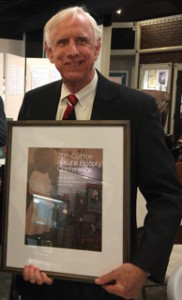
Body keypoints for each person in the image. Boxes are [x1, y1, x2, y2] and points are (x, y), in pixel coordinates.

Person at [13, 6, 182, 300]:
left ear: (97, 46)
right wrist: (19, 246)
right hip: (39, 274)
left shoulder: (137, 108)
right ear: (50, 52)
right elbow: (23, 183)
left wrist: (142, 267)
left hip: (107, 280)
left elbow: (166, 197)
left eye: (82, 40)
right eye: (62, 43)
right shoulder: (34, 102)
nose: (73, 50)